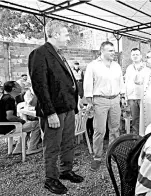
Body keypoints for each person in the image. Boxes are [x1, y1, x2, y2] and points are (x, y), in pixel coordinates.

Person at [28, 20, 83, 195]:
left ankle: (65, 171)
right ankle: (50, 179)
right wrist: (49, 112)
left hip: (67, 108)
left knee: (68, 142)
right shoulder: (39, 53)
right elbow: (40, 86)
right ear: (56, 34)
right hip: (54, 111)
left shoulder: (59, 54)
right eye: (66, 34)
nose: (68, 38)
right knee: (52, 146)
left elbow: (66, 82)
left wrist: (75, 104)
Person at [83, 41, 125, 171]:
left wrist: (122, 97)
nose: (113, 53)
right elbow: (88, 84)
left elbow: (121, 82)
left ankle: (113, 154)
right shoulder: (93, 66)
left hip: (115, 99)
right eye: (110, 50)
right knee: (100, 130)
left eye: (114, 50)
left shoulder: (116, 66)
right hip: (100, 100)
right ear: (102, 51)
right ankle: (97, 157)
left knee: (115, 129)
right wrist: (90, 102)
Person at [0, 81, 42, 155]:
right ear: (14, 89)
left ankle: (18, 149)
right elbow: (9, 117)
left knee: (28, 126)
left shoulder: (4, 97)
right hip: (7, 128)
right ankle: (32, 148)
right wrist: (21, 120)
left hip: (4, 126)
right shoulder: (10, 99)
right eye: (18, 85)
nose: (21, 87)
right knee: (37, 124)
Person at [124, 48, 149, 134]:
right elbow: (126, 82)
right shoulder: (129, 68)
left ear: (141, 56)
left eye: (137, 54)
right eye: (133, 55)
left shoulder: (146, 67)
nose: (135, 56)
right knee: (134, 119)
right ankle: (135, 138)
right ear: (131, 57)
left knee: (144, 119)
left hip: (142, 97)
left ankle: (144, 137)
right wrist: (126, 97)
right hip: (132, 97)